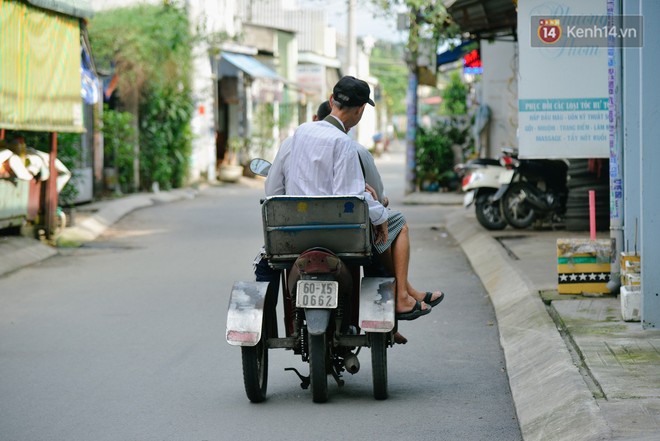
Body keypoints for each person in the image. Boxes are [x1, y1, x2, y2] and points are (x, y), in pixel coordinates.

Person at [265, 77, 441, 321]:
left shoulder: (297, 135)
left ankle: (405, 293)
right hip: (340, 238)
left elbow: (272, 190)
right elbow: (351, 196)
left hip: (293, 237)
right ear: (360, 111)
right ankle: (401, 297)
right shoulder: (344, 143)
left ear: (331, 101)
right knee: (396, 224)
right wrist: (379, 215)